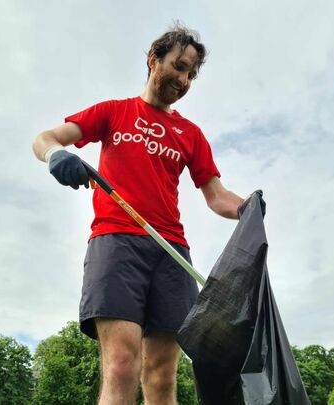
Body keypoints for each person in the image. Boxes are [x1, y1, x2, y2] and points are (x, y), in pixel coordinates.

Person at [33, 24, 250, 405]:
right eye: (179, 67)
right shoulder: (113, 112)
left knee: (163, 375)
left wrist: (249, 209)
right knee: (121, 363)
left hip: (172, 253)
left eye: (191, 75)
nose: (183, 80)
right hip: (116, 243)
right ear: (154, 61)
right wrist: (56, 155)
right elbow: (45, 139)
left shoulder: (191, 134)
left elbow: (216, 196)